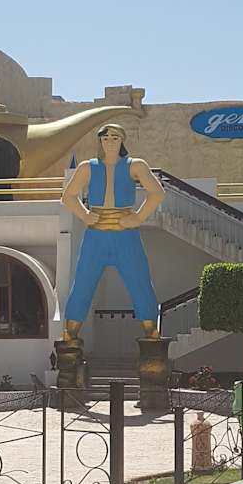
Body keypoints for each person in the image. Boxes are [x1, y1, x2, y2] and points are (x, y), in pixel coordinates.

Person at [61, 123, 164, 340]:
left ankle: (151, 334)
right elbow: (68, 196)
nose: (109, 142)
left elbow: (157, 193)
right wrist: (84, 215)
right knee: (82, 284)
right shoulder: (87, 167)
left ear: (122, 140)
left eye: (115, 137)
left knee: (140, 282)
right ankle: (70, 336)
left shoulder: (135, 165)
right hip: (96, 235)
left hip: (125, 234)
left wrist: (138, 217)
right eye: (105, 138)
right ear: (100, 141)